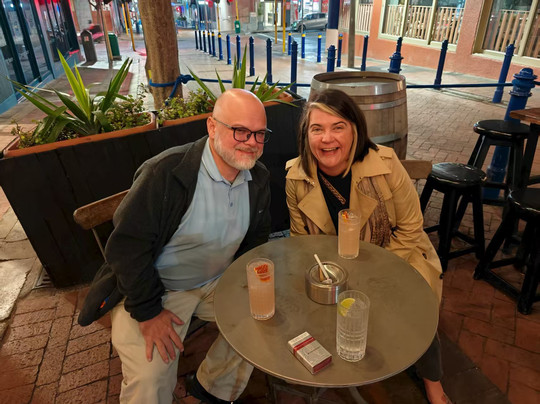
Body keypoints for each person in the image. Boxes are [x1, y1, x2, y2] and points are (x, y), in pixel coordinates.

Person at [80, 89, 271, 404]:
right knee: (149, 380)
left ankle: (211, 389)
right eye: (240, 130)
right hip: (155, 288)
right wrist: (149, 313)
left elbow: (257, 237)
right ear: (212, 126)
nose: (251, 142)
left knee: (265, 317)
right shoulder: (165, 173)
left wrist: (251, 282)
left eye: (259, 133)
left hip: (218, 281)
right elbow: (126, 249)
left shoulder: (257, 177)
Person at [285, 89, 450, 404]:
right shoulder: (297, 178)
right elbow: (300, 240)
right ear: (306, 135)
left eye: (338, 127)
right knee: (314, 305)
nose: (326, 138)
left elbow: (411, 227)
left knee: (417, 310)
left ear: (355, 130)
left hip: (397, 255)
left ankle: (433, 380)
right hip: (334, 267)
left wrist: (376, 273)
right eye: (316, 129)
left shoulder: (385, 165)